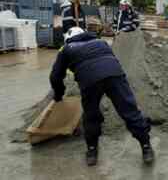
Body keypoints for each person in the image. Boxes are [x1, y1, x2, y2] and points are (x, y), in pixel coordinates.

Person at [49, 27, 154, 166]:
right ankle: (146, 147)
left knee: (91, 115)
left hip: (89, 79)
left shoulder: (66, 49)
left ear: (67, 39)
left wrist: (58, 95)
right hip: (115, 74)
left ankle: (92, 151)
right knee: (129, 111)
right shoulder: (100, 42)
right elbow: (110, 60)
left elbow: (55, 77)